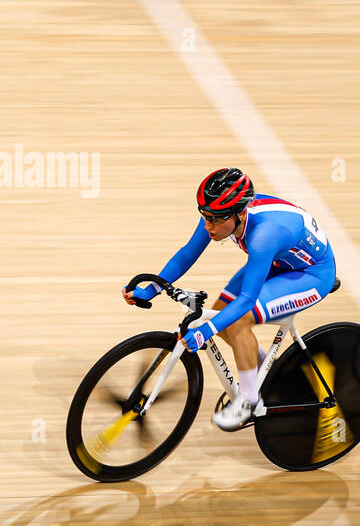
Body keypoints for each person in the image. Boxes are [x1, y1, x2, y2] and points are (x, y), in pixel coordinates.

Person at [124, 168, 336, 430]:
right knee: (221, 313)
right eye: (205, 216)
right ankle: (268, 373)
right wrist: (152, 289)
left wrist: (204, 332)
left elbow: (247, 300)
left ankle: (248, 402)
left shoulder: (263, 236)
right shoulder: (221, 215)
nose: (207, 225)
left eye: (214, 219)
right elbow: (187, 254)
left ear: (240, 214)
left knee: (236, 321)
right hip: (281, 261)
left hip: (311, 274)